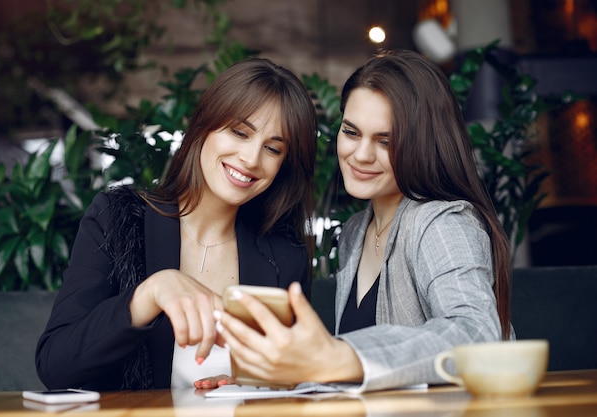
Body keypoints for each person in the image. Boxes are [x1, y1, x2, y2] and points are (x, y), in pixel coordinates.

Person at [213, 49, 513, 392]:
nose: (361, 155)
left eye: (385, 141)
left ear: (422, 144)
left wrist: (340, 357)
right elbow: (367, 375)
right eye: (351, 132)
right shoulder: (356, 231)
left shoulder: (441, 222)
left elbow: (477, 334)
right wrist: (287, 376)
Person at [35, 57, 317, 391]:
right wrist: (148, 296)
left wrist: (257, 386)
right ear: (204, 126)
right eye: (240, 133)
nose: (251, 159)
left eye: (272, 148)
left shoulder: (285, 256)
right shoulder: (117, 218)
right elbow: (55, 366)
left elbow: (296, 381)